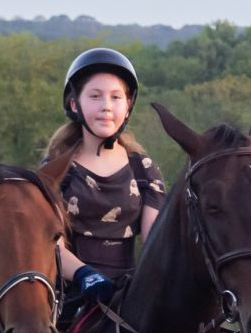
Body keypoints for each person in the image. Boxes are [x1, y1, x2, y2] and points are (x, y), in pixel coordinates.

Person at [43, 47, 165, 309]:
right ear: (75, 104)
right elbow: (50, 244)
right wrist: (85, 275)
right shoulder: (55, 171)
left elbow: (156, 241)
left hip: (129, 294)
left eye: (116, 97)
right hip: (71, 291)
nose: (106, 107)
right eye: (95, 96)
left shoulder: (144, 169)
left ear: (128, 105)